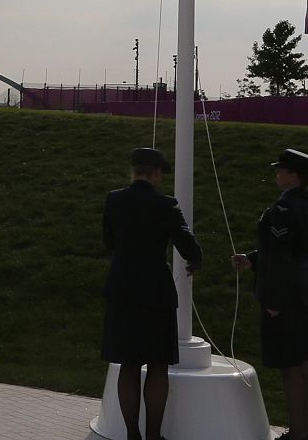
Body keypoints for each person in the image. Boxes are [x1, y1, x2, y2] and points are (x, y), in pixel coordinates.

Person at [102, 146, 202, 440]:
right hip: (155, 291)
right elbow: (186, 241)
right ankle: (153, 435)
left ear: (133, 171)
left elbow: (108, 240)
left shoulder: (114, 200)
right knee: (158, 364)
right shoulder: (165, 204)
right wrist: (196, 260)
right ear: (156, 173)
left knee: (129, 364)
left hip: (121, 289)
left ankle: (132, 433)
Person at [231, 148, 308, 440]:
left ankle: (297, 434)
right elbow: (288, 249)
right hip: (306, 288)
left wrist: (273, 301)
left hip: (287, 293)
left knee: (290, 368)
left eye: (281, 169)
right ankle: (302, 431)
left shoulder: (284, 209)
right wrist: (253, 259)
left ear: (293, 175)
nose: (277, 173)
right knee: (302, 363)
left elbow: (282, 256)